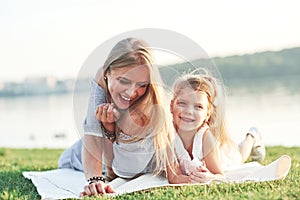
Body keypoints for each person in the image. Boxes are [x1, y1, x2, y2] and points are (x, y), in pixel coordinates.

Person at [58, 38, 176, 196]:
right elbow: (93, 134)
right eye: (124, 81)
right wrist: (94, 180)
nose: (131, 92)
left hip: (115, 157)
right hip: (80, 155)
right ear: (107, 72)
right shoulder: (101, 83)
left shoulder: (152, 103)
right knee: (67, 158)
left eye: (141, 84)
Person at [167, 70, 266, 183]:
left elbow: (219, 175)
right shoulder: (167, 136)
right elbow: (174, 177)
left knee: (239, 157)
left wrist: (210, 177)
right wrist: (192, 179)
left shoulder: (205, 137)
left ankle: (252, 136)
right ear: (171, 106)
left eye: (198, 106)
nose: (189, 111)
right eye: (182, 103)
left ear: (207, 114)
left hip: (223, 158)